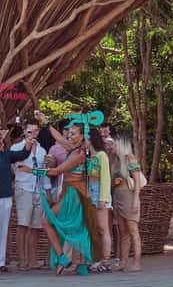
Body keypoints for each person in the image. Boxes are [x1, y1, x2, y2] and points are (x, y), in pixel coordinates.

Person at [41, 122, 102, 275]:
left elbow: (57, 171)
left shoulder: (80, 154)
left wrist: (33, 171)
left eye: (73, 134)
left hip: (75, 194)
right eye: (69, 134)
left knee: (47, 221)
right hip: (71, 192)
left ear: (82, 137)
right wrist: (47, 124)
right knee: (78, 226)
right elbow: (59, 138)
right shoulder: (72, 148)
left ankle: (63, 257)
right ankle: (80, 263)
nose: (69, 136)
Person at [0, 125, 32, 271]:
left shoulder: (6, 155)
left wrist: (29, 141)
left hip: (6, 196)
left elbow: (22, 154)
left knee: (3, 230)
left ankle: (0, 262)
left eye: (0, 138)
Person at [11, 118, 51, 271]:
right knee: (23, 224)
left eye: (35, 131)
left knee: (35, 226)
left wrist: (47, 191)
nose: (33, 134)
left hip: (38, 188)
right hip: (24, 188)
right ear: (24, 132)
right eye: (29, 131)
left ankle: (33, 260)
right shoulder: (16, 147)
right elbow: (17, 168)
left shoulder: (42, 150)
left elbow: (45, 173)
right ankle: (22, 260)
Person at [111, 137, 144, 272]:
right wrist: (115, 182)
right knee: (123, 231)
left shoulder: (130, 159)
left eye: (113, 144)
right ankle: (123, 262)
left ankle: (137, 262)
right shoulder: (116, 161)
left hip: (129, 197)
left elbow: (137, 181)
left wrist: (136, 200)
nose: (111, 147)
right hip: (118, 196)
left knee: (133, 230)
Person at [85, 129, 113, 272]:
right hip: (91, 191)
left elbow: (106, 177)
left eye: (85, 138)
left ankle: (106, 260)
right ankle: (97, 258)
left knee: (103, 228)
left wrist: (103, 198)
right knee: (94, 228)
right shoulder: (88, 156)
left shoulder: (102, 155)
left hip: (100, 192)